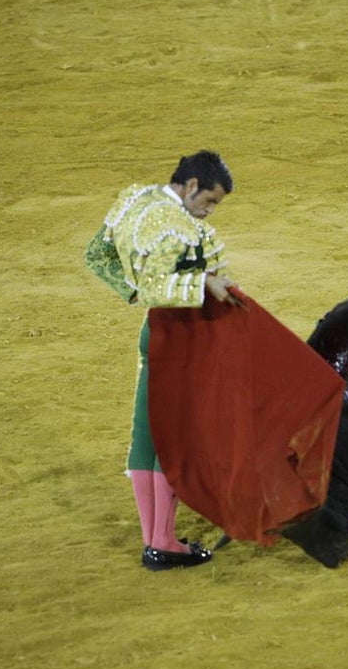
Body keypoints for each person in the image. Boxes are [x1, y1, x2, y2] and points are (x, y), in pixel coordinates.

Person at [85, 150, 240, 571]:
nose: (208, 212)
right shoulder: (173, 225)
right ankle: (163, 542)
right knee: (174, 439)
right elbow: (158, 288)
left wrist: (131, 291)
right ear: (190, 186)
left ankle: (156, 540)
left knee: (147, 434)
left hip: (154, 333)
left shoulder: (136, 199)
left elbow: (96, 256)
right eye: (208, 201)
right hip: (185, 337)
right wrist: (204, 282)